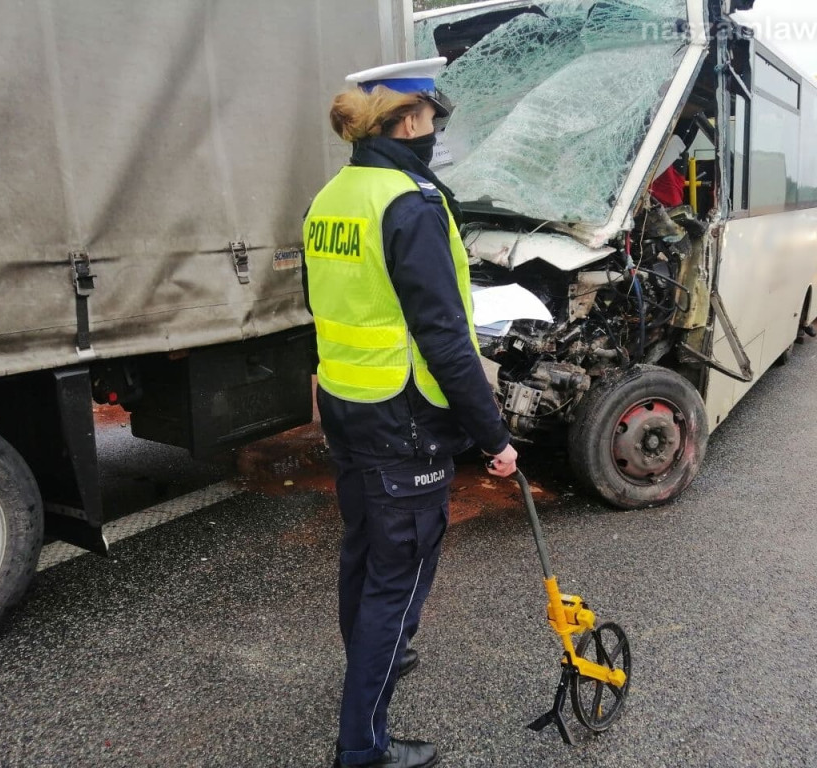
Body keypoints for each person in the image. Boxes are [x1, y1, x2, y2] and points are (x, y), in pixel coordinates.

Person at [303, 57, 518, 768]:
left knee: (365, 558)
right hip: (405, 416)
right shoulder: (412, 202)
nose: (438, 132)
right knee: (397, 583)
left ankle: (373, 664)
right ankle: (362, 746)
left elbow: (323, 303)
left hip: (347, 403)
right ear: (411, 119)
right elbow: (446, 340)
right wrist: (494, 438)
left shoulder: (332, 196)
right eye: (436, 119)